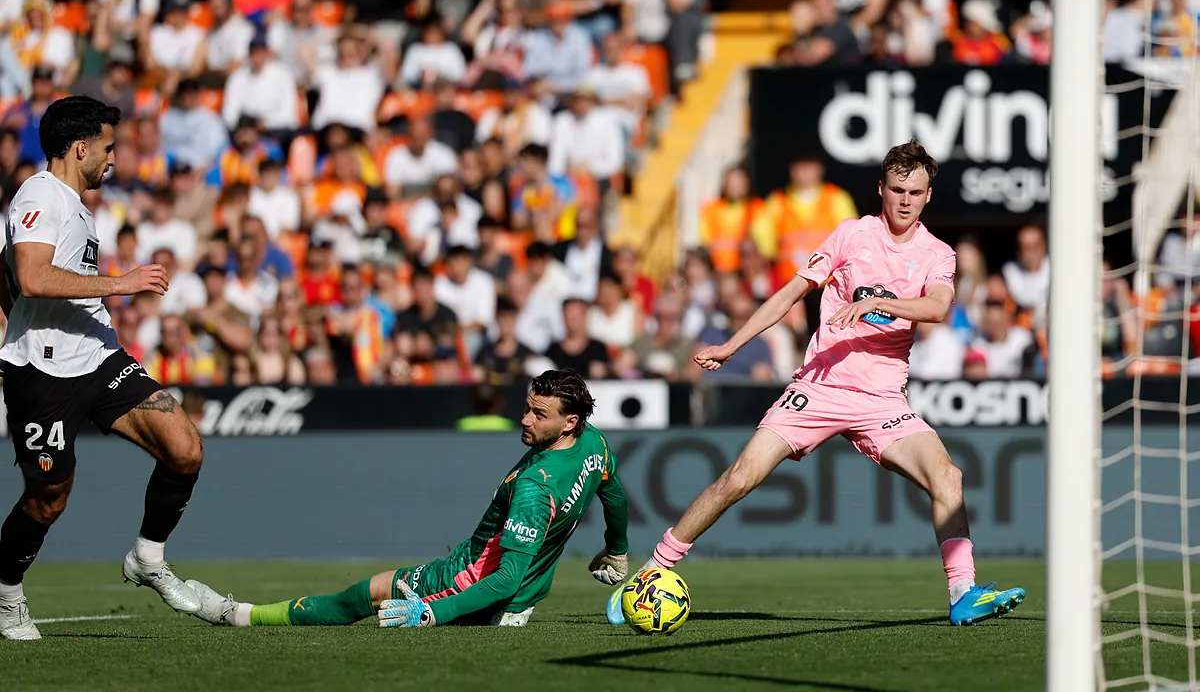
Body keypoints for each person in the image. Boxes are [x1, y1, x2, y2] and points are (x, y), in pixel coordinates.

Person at [607, 139, 1025, 628]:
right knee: (739, 478)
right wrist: (730, 346)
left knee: (948, 477)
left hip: (882, 400)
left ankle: (963, 592)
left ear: (929, 195)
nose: (905, 200)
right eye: (896, 189)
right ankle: (651, 573)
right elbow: (789, 293)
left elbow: (936, 308)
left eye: (915, 191)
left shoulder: (937, 254)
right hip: (821, 386)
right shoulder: (851, 235)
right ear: (881, 189)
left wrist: (876, 304)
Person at [185, 369, 629, 629]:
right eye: (528, 406)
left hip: (469, 583)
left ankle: (236, 614)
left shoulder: (537, 486)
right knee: (370, 591)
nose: (524, 419)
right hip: (521, 592)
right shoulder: (593, 442)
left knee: (362, 594)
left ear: (568, 422)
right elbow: (615, 495)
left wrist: (430, 612)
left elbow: (505, 580)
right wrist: (617, 549)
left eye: (539, 414)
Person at [0, 97, 206, 640]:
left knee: (184, 448)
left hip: (97, 355)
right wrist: (121, 282)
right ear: (80, 147)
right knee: (48, 500)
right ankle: (6, 593)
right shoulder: (41, 194)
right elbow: (32, 276)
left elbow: (9, 277)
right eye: (109, 147)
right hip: (43, 372)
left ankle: (148, 557)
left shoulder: (74, 203)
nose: (114, 159)